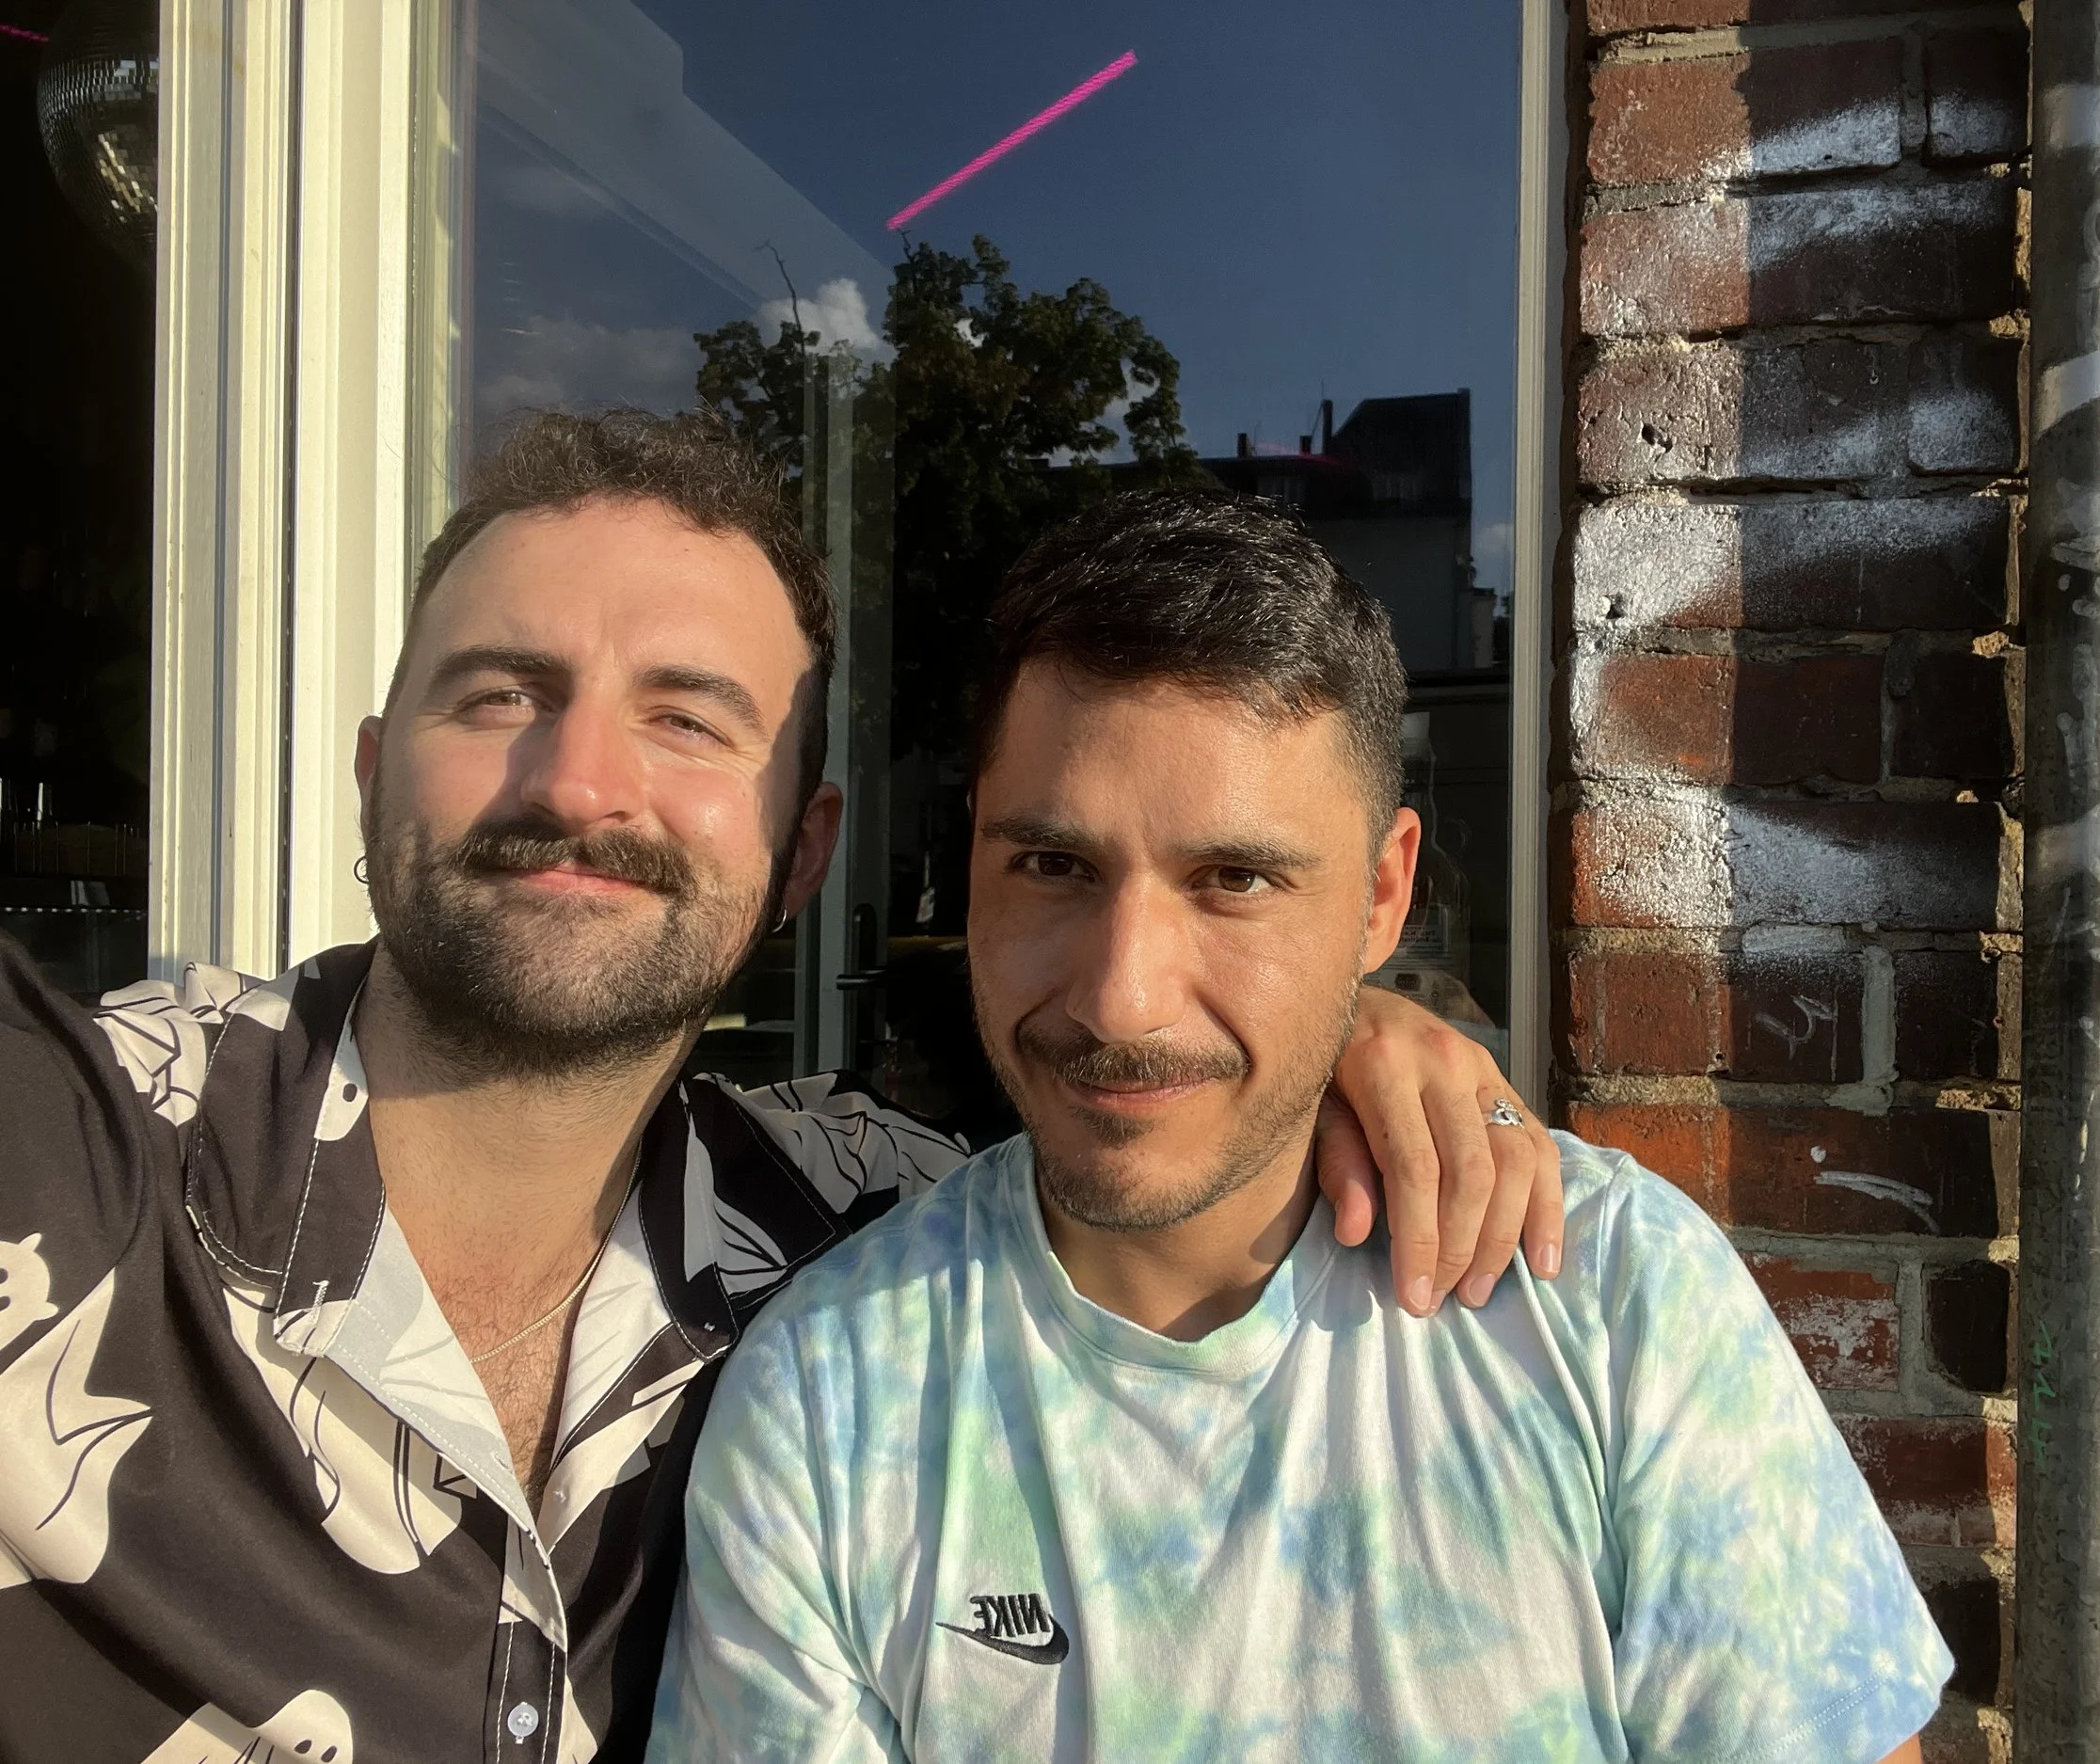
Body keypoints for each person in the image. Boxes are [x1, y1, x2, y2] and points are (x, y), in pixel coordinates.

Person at [0, 412, 1560, 1762]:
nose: (577, 779)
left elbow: (1155, 1102)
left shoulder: (859, 1221)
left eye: (686, 718)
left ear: (803, 853)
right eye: (497, 694)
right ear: (369, 773)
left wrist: (1338, 1019)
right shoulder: (75, 1148)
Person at [651, 490, 1954, 1762]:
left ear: (1383, 897)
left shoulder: (1613, 1299)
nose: (1121, 996)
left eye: (1236, 879)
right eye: (1054, 866)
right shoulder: (832, 1396)